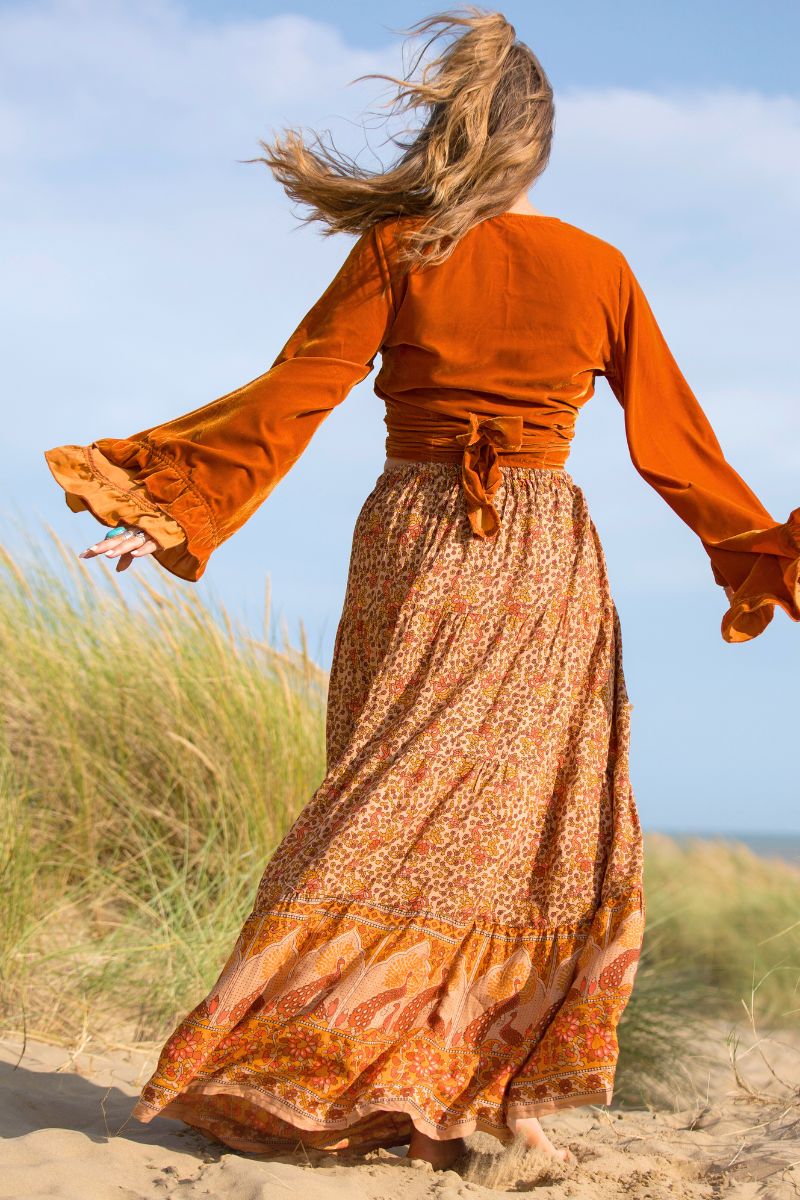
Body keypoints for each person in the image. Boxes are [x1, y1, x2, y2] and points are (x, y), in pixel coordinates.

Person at [43, 8, 798, 1173]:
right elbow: (675, 450)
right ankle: (482, 1098)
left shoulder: (398, 248)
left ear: (457, 133)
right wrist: (768, 555)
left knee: (381, 802)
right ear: (534, 148)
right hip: (545, 560)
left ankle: (381, 1078)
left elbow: (291, 396)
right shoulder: (597, 268)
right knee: (523, 832)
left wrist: (170, 501)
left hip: (410, 540)